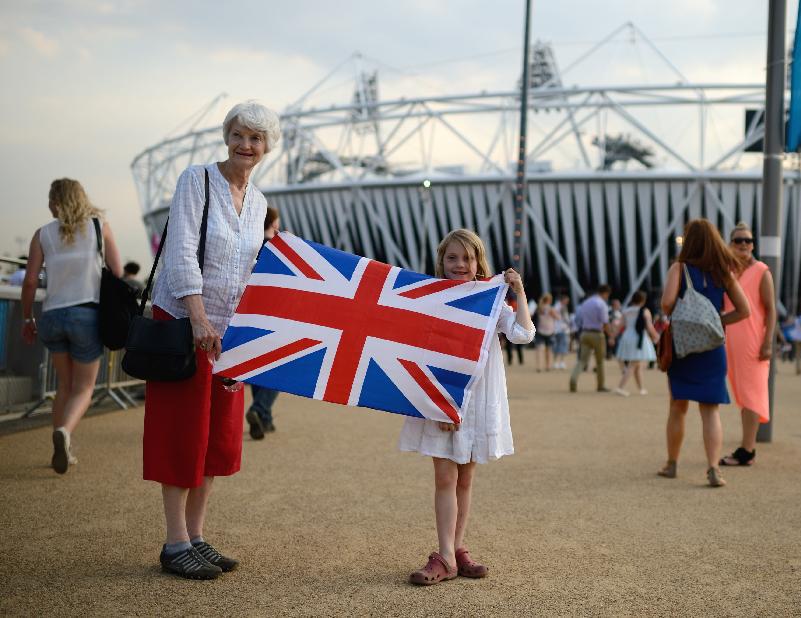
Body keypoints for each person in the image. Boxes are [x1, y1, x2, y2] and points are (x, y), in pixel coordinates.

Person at [142, 101, 281, 579]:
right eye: (239, 135)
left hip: (229, 334)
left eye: (256, 139)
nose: (246, 145)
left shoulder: (259, 202)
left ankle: (197, 536)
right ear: (227, 136)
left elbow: (249, 272)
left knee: (217, 439)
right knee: (182, 432)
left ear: (267, 147)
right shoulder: (196, 179)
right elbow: (180, 249)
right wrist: (198, 318)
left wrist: (246, 334)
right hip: (186, 323)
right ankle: (174, 541)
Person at [398, 229, 535, 585]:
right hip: (441, 398)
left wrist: (516, 290)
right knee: (445, 477)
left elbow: (523, 334)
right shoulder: (432, 299)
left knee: (466, 479)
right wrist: (441, 404)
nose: (460, 264)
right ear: (441, 262)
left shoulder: (491, 301)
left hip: (477, 400)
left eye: (467, 258)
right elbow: (421, 353)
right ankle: (444, 555)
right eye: (452, 258)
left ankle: (457, 549)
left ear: (478, 263)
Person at [20, 179, 123, 474]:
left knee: (64, 385)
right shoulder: (98, 226)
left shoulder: (43, 234)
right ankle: (64, 433)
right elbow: (116, 271)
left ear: (56, 201)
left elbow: (29, 281)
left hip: (52, 315)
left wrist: (28, 319)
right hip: (86, 314)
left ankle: (63, 441)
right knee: (84, 387)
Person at [657, 218, 750, 487]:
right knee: (711, 411)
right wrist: (717, 322)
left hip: (683, 348)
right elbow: (745, 310)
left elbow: (666, 305)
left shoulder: (679, 268)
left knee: (678, 407)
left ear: (689, 240)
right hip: (712, 348)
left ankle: (672, 464)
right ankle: (713, 468)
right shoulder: (723, 271)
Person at [720, 223, 776, 466]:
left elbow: (771, 310)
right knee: (743, 393)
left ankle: (747, 450)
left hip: (754, 342)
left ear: (753, 245)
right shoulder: (728, 271)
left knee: (752, 394)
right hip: (732, 341)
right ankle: (747, 445)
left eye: (748, 241)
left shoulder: (762, 270)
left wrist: (767, 342)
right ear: (730, 243)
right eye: (738, 240)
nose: (743, 244)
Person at [245, 206, 282, 440]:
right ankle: (259, 410)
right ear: (273, 222)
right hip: (273, 313)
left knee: (257, 367)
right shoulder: (278, 248)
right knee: (276, 369)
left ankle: (264, 418)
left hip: (249, 313)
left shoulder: (249, 245)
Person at [569, 284, 612, 393]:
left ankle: (573, 381)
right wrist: (611, 335)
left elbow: (578, 319)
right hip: (597, 334)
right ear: (606, 293)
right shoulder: (601, 304)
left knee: (582, 360)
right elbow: (605, 322)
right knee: (600, 362)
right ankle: (600, 385)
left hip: (585, 333)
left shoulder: (586, 303)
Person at [614, 291, 658, 396]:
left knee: (637, 364)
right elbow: (649, 326)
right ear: (643, 300)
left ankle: (641, 388)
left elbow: (620, 325)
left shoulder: (626, 311)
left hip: (627, 336)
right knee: (634, 364)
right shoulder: (645, 311)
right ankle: (620, 387)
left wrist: (612, 336)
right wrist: (656, 336)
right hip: (639, 338)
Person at [534, 293, 558, 371]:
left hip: (540, 330)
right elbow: (557, 317)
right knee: (548, 350)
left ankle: (538, 366)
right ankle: (547, 366)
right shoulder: (551, 309)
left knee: (539, 349)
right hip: (549, 331)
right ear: (549, 300)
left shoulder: (539, 308)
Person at [552, 294, 570, 369]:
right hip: (558, 329)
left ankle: (561, 362)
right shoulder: (558, 306)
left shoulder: (562, 306)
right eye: (566, 300)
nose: (567, 302)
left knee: (563, 346)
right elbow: (555, 315)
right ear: (562, 300)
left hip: (563, 329)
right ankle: (556, 362)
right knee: (558, 346)